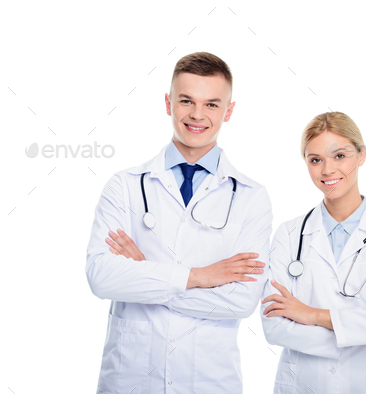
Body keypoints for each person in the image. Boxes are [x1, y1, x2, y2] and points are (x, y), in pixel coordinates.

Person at [85, 52, 272, 394]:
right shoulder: (125, 185)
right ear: (169, 102)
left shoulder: (251, 197)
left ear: (229, 111)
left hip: (209, 381)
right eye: (187, 100)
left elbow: (241, 301)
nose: (197, 115)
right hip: (130, 380)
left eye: (212, 104)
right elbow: (101, 277)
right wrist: (199, 277)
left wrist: (146, 273)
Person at [260, 111, 366, 394]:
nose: (327, 170)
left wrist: (311, 315)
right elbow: (274, 326)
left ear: (361, 155)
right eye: (316, 160)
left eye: (339, 156)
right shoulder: (289, 235)